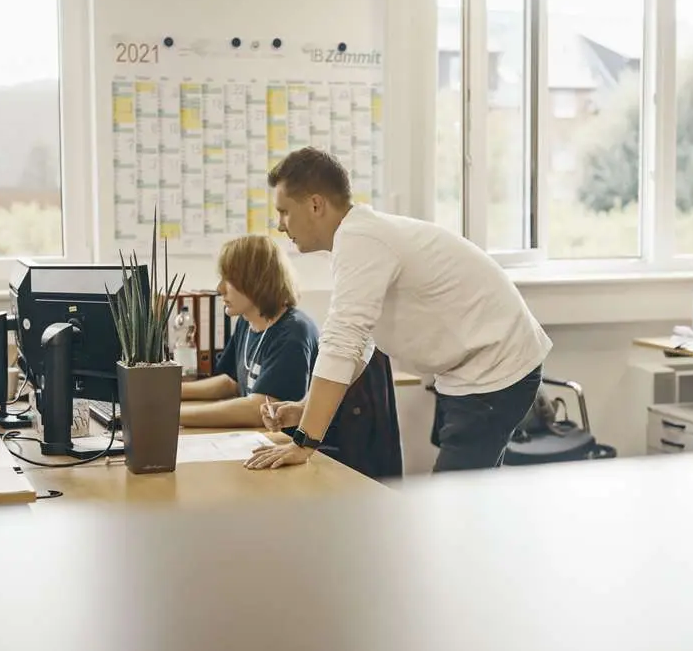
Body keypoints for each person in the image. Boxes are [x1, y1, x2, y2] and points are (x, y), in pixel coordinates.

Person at [244, 147, 552, 472]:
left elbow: (342, 341)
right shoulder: (357, 238)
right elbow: (360, 342)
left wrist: (304, 441)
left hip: (496, 368)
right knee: (467, 498)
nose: (279, 225)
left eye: (284, 212)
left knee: (455, 500)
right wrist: (306, 410)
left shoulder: (361, 239)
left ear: (315, 204)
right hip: (480, 367)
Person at [180, 234, 319, 428]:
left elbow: (260, 408)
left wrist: (172, 416)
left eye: (229, 280)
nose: (219, 289)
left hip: (303, 449)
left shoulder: (293, 332)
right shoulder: (247, 322)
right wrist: (170, 393)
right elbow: (231, 382)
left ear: (257, 281)